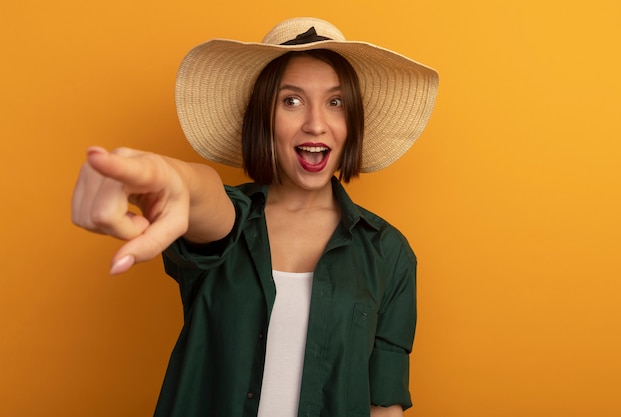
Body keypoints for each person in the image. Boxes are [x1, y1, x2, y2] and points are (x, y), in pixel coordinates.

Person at [72, 17, 438, 417]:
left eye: (336, 102)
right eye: (291, 101)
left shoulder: (389, 252)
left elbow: (384, 404)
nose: (316, 123)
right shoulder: (232, 218)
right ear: (263, 118)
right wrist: (177, 179)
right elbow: (206, 202)